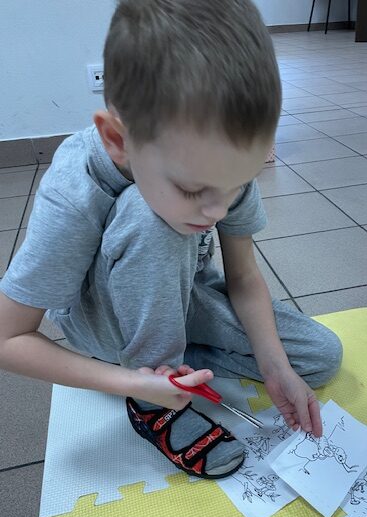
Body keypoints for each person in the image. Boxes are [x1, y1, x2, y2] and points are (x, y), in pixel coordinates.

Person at [0, 0, 342, 480]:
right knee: (151, 216)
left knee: (318, 358)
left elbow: (243, 277)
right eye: (193, 190)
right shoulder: (75, 188)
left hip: (181, 294)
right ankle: (152, 400)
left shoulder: (216, 165)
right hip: (107, 321)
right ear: (118, 140)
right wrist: (132, 382)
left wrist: (275, 368)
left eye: (236, 185)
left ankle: (175, 363)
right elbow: (8, 337)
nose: (217, 211)